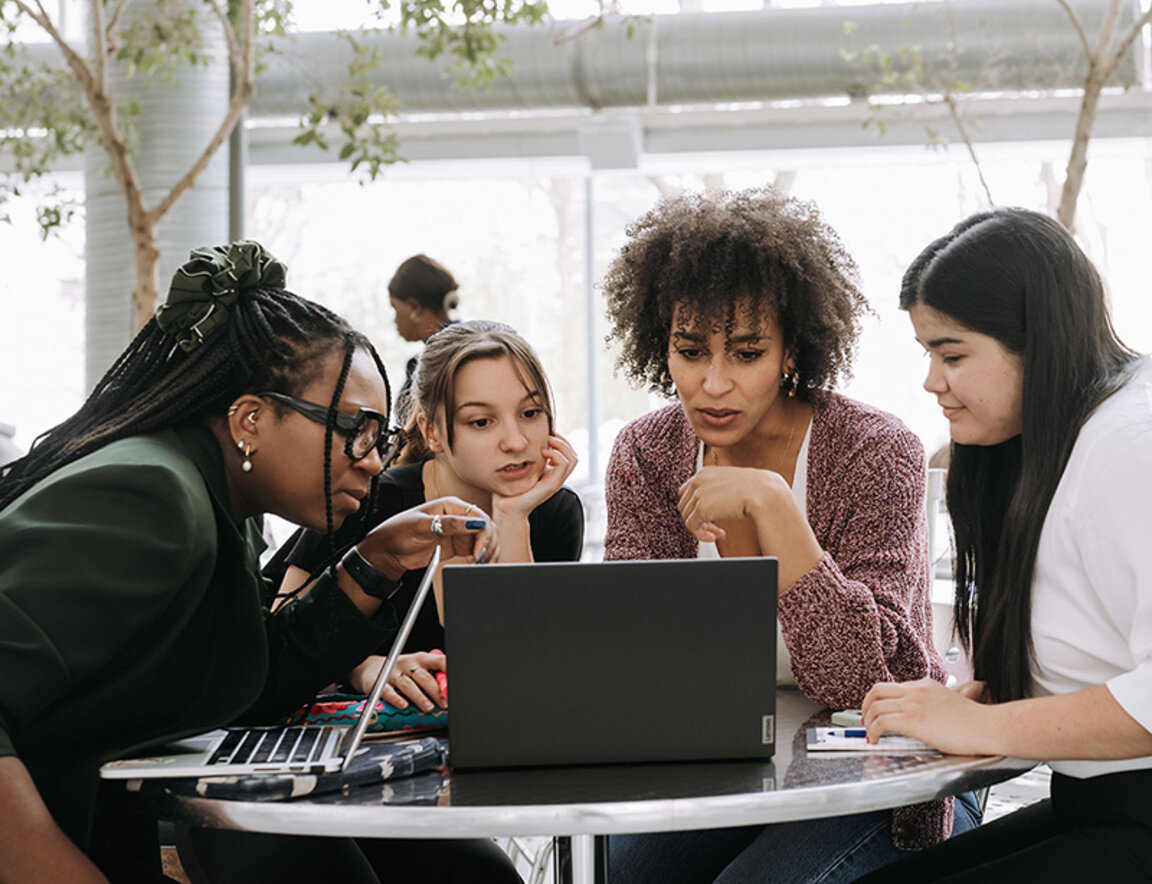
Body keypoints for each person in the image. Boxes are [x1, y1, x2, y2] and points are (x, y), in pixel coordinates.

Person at [0, 241, 500, 883]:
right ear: (250, 420)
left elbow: (246, 685)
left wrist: (374, 559)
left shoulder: (218, 499)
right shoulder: (149, 495)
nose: (375, 459)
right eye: (358, 429)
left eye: (382, 437)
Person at [600, 187, 980, 883]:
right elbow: (635, 663)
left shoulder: (872, 449)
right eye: (690, 351)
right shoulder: (648, 455)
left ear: (791, 351)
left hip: (885, 765)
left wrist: (777, 510)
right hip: (728, 765)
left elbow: (874, 680)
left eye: (746, 354)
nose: (713, 384)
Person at [856, 208, 1152, 881]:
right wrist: (999, 702)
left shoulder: (1132, 445)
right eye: (927, 354)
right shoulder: (1069, 437)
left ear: (1037, 343)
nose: (933, 382)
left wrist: (989, 730)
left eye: (953, 355)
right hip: (1101, 803)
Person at [273, 318, 584, 714]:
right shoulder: (368, 498)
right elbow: (280, 637)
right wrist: (363, 668)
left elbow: (523, 674)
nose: (517, 441)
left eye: (530, 412)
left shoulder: (553, 512)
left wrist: (512, 516)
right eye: (482, 422)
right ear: (432, 432)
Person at [388, 254, 460, 423]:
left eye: (395, 308)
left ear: (415, 308)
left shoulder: (432, 364)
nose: (395, 320)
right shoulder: (472, 343)